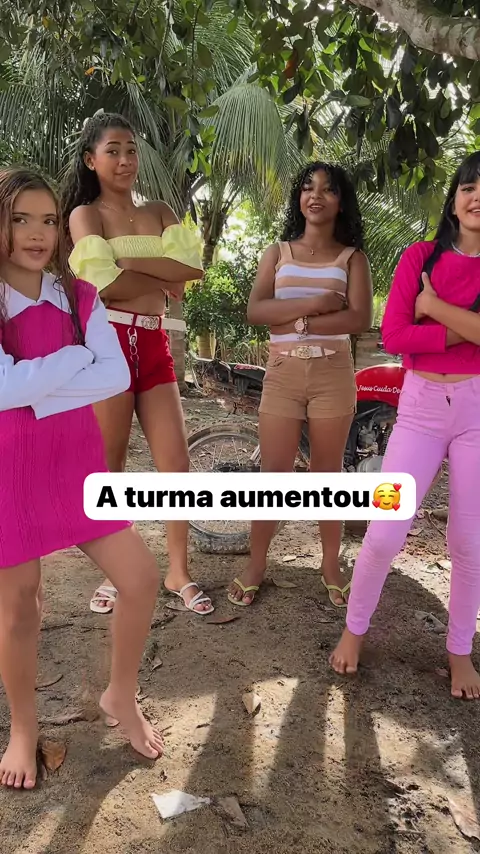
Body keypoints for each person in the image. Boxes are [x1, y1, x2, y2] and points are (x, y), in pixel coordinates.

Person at [0, 167, 166, 790]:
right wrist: (73, 359)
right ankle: (24, 728)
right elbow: (0, 389)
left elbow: (114, 377)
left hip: (76, 463)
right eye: (21, 219)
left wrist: (34, 386)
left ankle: (120, 694)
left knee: (141, 578)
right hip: (11, 470)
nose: (37, 233)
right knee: (20, 607)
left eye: (48, 220)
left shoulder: (79, 296)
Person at [330, 150, 480, 701]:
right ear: (454, 200)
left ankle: (459, 651)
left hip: (476, 410)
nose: (477, 197)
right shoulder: (420, 257)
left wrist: (432, 308)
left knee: (469, 541)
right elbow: (394, 336)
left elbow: (419, 324)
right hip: (419, 408)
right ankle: (354, 630)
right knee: (385, 530)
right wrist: (466, 327)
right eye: (468, 187)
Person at [61, 112, 214, 617]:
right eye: (113, 151)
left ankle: (178, 571)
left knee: (176, 464)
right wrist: (157, 274)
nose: (125, 159)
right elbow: (102, 284)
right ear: (91, 160)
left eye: (131, 150)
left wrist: (126, 262)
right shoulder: (85, 215)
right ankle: (117, 572)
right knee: (113, 466)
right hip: (107, 345)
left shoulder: (161, 210)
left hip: (154, 342)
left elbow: (190, 270)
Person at [228, 162, 373, 607]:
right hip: (283, 373)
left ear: (341, 202)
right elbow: (256, 311)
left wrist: (292, 318)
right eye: (308, 187)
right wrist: (316, 303)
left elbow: (358, 318)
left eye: (328, 190)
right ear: (299, 198)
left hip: (332, 374)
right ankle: (256, 564)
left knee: (326, 475)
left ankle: (330, 564)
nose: (316, 195)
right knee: (273, 476)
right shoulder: (277, 253)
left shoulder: (353, 258)